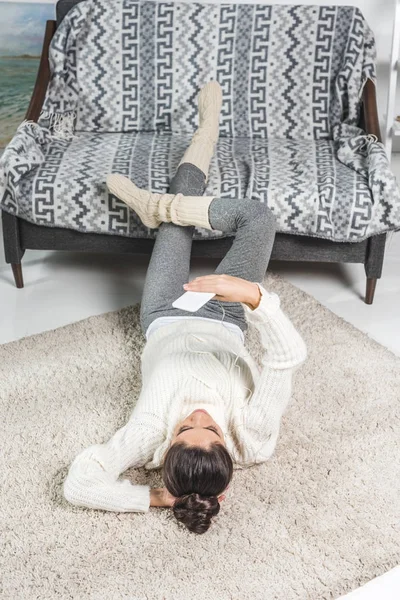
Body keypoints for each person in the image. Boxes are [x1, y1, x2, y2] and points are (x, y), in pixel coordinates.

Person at [63, 81, 308, 535]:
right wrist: (254, 299)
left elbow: (79, 485)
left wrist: (153, 498)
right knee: (258, 219)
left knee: (177, 221)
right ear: (228, 455)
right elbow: (288, 358)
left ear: (168, 446)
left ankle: (170, 189)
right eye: (211, 431)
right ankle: (164, 198)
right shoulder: (252, 439)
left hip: (166, 311)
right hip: (227, 312)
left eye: (183, 431)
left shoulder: (148, 434)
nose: (198, 417)